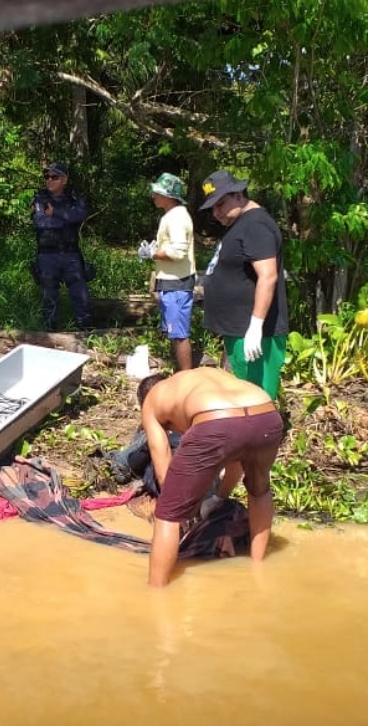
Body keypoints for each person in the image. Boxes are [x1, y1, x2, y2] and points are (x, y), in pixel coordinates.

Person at [139, 367, 284, 587]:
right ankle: (258, 570)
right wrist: (217, 498)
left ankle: (156, 592)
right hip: (265, 413)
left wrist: (179, 511)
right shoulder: (203, 377)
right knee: (259, 490)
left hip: (215, 418)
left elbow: (163, 472)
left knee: (167, 514)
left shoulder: (152, 401)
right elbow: (237, 459)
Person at [198, 169, 288, 400]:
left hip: (255, 332)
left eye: (221, 204)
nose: (216, 212)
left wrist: (256, 327)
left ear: (238, 194)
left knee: (257, 398)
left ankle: (265, 435)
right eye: (213, 207)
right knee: (242, 395)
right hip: (238, 329)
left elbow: (268, 276)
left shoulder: (256, 225)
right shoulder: (241, 223)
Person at [143, 172, 196, 371]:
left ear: (168, 195)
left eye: (157, 192)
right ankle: (181, 374)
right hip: (171, 281)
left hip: (177, 283)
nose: (154, 196)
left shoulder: (176, 217)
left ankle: (186, 378)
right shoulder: (172, 216)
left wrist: (153, 254)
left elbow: (178, 251)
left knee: (179, 334)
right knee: (174, 333)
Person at [31, 162, 92, 330]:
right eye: (47, 177)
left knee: (80, 294)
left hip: (70, 254)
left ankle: (85, 329)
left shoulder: (73, 198)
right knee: (49, 295)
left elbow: (79, 216)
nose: (49, 180)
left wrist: (55, 213)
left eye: (54, 177)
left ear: (64, 180)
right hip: (47, 255)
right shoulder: (40, 199)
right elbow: (41, 223)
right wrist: (65, 218)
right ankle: (51, 331)